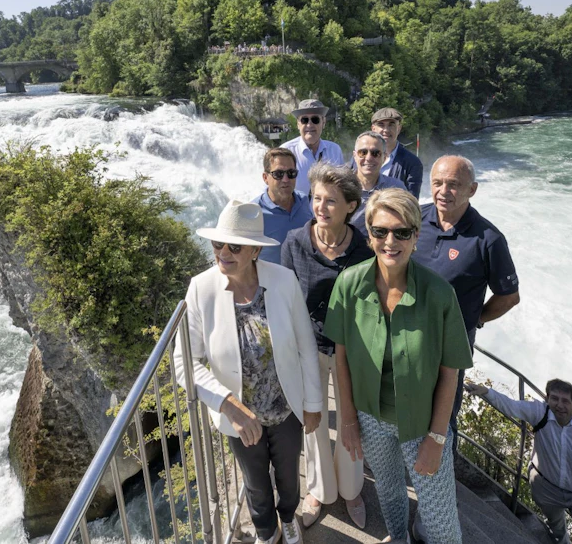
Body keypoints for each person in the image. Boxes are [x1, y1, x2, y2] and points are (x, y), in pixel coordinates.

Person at [324, 188, 473, 544]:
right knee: (389, 495)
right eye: (380, 231)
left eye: (402, 232)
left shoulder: (438, 294)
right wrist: (347, 419)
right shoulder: (349, 284)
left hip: (422, 424)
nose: (390, 241)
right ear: (370, 235)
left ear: (416, 237)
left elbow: (450, 372)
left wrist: (437, 439)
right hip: (370, 418)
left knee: (441, 522)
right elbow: (340, 357)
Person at [174, 200, 323, 544]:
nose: (223, 253)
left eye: (234, 246)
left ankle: (289, 518)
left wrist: (313, 404)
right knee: (255, 483)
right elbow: (186, 361)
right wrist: (227, 404)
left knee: (288, 478)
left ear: (255, 250)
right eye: (217, 244)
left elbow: (305, 346)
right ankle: (267, 533)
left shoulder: (283, 281)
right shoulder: (201, 287)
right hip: (239, 413)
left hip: (286, 408)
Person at [280, 163, 375, 530]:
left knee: (353, 420)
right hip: (310, 347)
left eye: (331, 201)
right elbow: (287, 299)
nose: (321, 206)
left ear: (351, 206)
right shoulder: (295, 243)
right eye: (317, 198)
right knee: (314, 421)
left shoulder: (365, 248)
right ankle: (319, 490)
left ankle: (352, 489)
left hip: (354, 350)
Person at [412, 155, 520, 433]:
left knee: (441, 423)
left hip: (448, 351)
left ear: (471, 190)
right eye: (437, 183)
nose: (443, 191)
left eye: (453, 184)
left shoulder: (489, 239)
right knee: (402, 408)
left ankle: (439, 472)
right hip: (405, 336)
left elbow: (509, 296)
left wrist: (474, 320)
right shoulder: (414, 220)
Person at [465, 379, 572, 543]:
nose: (559, 405)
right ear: (547, 399)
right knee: (558, 531)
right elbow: (511, 406)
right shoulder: (540, 413)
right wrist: (487, 392)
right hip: (546, 488)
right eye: (554, 399)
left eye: (565, 401)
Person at [252, 147, 313, 265]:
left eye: (291, 173)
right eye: (278, 174)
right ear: (265, 178)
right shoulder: (254, 212)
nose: (285, 179)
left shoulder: (304, 200)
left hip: (304, 280)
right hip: (271, 282)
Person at [348, 131, 405, 235]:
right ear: (355, 156)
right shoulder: (341, 186)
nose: (369, 158)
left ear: (384, 157)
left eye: (375, 153)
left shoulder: (396, 189)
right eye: (363, 152)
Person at [282, 99, 344, 193]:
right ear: (298, 124)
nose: (309, 124)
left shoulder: (335, 150)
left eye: (315, 120)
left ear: (323, 122)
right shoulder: (286, 152)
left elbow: (342, 186)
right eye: (304, 120)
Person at [370, 108, 424, 198]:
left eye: (391, 125)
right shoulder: (361, 158)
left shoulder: (412, 163)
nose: (386, 130)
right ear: (373, 129)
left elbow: (412, 202)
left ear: (399, 128)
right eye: (381, 125)